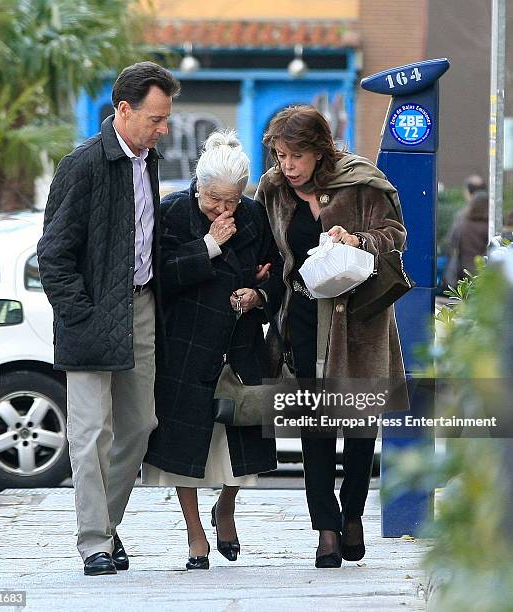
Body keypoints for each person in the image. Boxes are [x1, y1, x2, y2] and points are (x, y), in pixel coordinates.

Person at [37, 62, 180, 576]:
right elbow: (53, 253)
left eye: (166, 120)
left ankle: (107, 524)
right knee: (91, 431)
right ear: (123, 110)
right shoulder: (83, 164)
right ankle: (94, 540)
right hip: (91, 314)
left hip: (140, 308)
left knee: (140, 426)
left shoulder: (149, 161)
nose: (162, 129)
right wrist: (80, 314)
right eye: (155, 119)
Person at [255, 105, 407, 568]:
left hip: (357, 318)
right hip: (301, 314)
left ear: (320, 152)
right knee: (314, 425)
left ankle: (354, 514)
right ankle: (325, 527)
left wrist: (358, 239)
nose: (288, 165)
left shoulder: (361, 181)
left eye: (296, 156)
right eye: (281, 155)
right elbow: (264, 245)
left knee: (360, 424)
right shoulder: (274, 190)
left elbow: (395, 235)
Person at [143, 130, 278, 570]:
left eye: (232, 201)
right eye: (214, 199)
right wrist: (208, 245)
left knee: (240, 442)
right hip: (186, 343)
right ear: (197, 186)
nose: (223, 209)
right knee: (183, 445)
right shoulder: (173, 212)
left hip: (238, 345)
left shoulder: (255, 216)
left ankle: (226, 508)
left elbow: (274, 276)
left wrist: (257, 297)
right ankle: (194, 533)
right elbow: (160, 275)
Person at [443, 175, 488, 286]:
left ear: (467, 192)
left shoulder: (462, 219)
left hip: (463, 272)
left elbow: (451, 243)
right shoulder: (493, 220)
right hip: (485, 272)